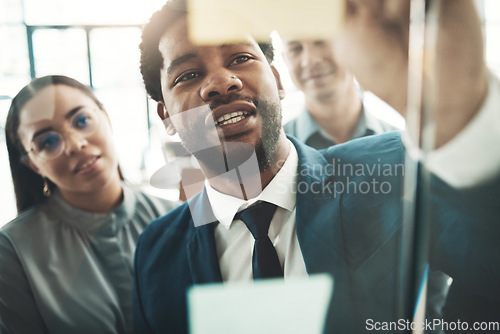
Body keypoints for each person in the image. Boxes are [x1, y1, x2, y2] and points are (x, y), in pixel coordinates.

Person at [133, 0, 500, 333]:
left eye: (240, 58)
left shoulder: (396, 170)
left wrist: (462, 117)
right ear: (166, 117)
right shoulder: (156, 252)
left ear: (277, 82)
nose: (221, 82)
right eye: (188, 75)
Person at [0, 75, 178, 334]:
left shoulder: (178, 219)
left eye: (82, 121)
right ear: (32, 164)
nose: (76, 144)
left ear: (106, 117)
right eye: (48, 142)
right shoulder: (13, 251)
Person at [281, 38, 400, 149]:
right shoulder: (272, 155)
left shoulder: (405, 147)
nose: (309, 61)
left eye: (321, 41)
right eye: (296, 49)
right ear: (285, 59)